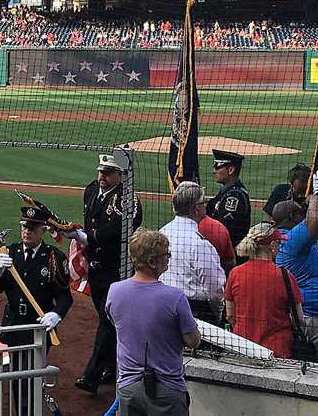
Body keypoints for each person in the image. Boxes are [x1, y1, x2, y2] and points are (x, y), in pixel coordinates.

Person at [106, 228, 200, 416]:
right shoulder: (175, 298)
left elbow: (117, 322)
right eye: (165, 255)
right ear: (151, 262)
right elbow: (193, 341)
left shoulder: (114, 291)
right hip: (167, 390)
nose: (168, 258)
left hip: (128, 388)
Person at [0, 206, 72, 416]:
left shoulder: (53, 258)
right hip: (15, 324)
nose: (27, 231)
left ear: (43, 230)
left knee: (32, 375)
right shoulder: (10, 253)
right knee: (18, 376)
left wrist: (56, 314)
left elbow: (65, 296)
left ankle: (31, 410)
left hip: (38, 328)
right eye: (25, 226)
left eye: (32, 228)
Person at [76, 152, 144, 395]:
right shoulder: (91, 190)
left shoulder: (128, 199)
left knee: (108, 318)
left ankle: (91, 374)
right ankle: (111, 366)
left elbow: (117, 229)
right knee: (108, 319)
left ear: (120, 175)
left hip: (117, 268)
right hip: (95, 267)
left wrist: (88, 238)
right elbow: (90, 220)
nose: (101, 176)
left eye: (107, 173)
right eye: (100, 172)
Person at [273, 194, 318, 363]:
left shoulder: (303, 244)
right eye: (302, 213)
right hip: (314, 321)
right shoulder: (288, 240)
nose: (305, 217)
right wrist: (314, 197)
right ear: (292, 217)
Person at [224, 223, 303, 359]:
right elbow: (299, 319)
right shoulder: (285, 275)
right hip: (276, 350)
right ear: (272, 245)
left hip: (242, 346)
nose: (280, 247)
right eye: (279, 243)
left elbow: (230, 316)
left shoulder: (235, 273)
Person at [159, 181, 227, 322]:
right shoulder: (200, 244)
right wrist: (218, 313)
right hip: (193, 312)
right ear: (196, 209)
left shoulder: (162, 233)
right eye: (204, 202)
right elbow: (215, 290)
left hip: (163, 305)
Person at [205, 150, 250, 249]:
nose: (214, 171)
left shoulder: (234, 197)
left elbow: (226, 231)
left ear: (231, 170)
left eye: (218, 167)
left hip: (230, 255)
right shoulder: (227, 191)